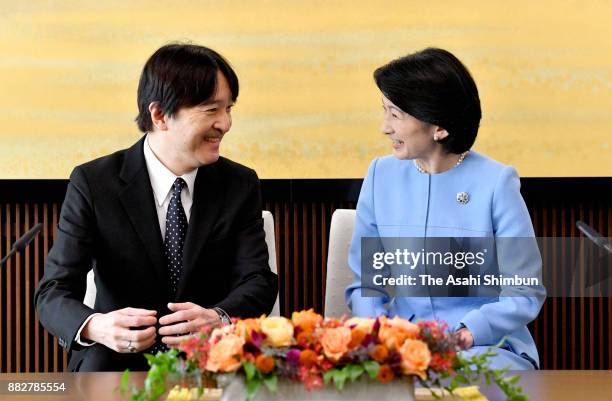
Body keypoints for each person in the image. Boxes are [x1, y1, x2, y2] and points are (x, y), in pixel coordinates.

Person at [35, 43, 278, 372]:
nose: (226, 123)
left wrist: (217, 317)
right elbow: (54, 291)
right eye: (211, 110)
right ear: (160, 115)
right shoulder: (94, 183)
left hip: (210, 356)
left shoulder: (239, 184)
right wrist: (96, 326)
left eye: (229, 109)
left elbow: (258, 280)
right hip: (116, 359)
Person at [345, 48, 546, 370]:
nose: (385, 127)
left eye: (396, 115)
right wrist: (382, 334)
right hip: (403, 346)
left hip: (485, 346)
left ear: (438, 126)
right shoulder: (380, 175)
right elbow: (367, 285)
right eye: (385, 111)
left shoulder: (496, 183)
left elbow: (524, 290)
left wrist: (468, 333)